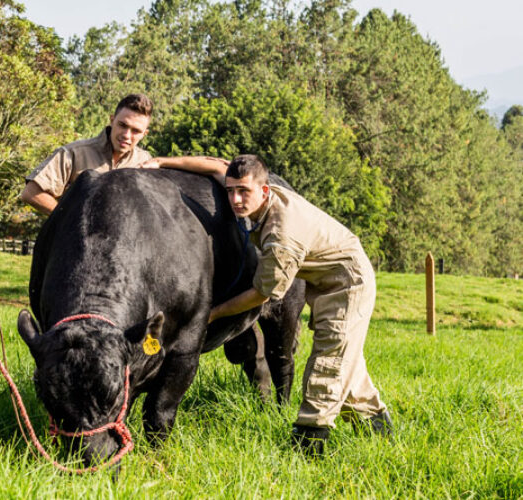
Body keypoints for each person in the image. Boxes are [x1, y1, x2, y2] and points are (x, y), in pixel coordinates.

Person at [165, 154, 392, 456]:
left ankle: (309, 444)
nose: (234, 199)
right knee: (347, 361)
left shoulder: (282, 235)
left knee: (330, 360)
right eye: (231, 189)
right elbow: (216, 166)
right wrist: (159, 162)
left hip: (347, 283)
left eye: (243, 191)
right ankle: (380, 430)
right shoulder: (249, 195)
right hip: (325, 280)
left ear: (265, 190)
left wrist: (213, 314)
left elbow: (261, 294)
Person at [20, 93, 155, 214]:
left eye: (136, 131)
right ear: (112, 120)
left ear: (144, 134)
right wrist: (71, 221)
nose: (126, 135)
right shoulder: (73, 153)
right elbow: (31, 192)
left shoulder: (146, 163)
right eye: (122, 125)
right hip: (74, 240)